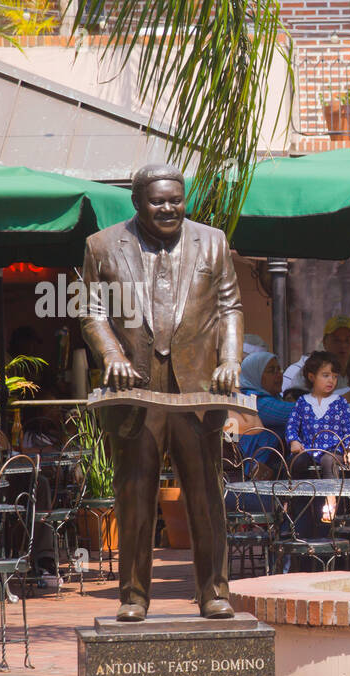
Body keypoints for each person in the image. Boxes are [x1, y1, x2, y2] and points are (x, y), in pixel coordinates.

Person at [80, 162, 242, 623]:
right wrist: (111, 354)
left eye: (176, 199)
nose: (169, 207)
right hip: (135, 393)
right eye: (158, 201)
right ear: (137, 203)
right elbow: (92, 311)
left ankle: (214, 592)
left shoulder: (212, 240)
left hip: (197, 392)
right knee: (134, 497)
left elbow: (230, 306)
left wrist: (229, 360)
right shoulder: (103, 246)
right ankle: (132, 596)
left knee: (206, 498)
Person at [285, 350, 350, 476]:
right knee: (296, 461)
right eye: (326, 375)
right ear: (312, 377)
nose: (331, 380)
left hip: (335, 450)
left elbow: (349, 430)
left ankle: (331, 495)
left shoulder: (340, 402)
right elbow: (292, 425)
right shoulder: (303, 401)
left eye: (335, 376)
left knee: (329, 460)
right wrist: (294, 441)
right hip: (308, 449)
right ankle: (298, 494)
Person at [236, 350, 293, 472]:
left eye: (279, 369)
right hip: (253, 477)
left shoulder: (274, 398)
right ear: (255, 374)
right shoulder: (254, 401)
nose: (278, 375)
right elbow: (295, 412)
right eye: (271, 371)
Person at [282, 315, 350, 395]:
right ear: (325, 342)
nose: (343, 345)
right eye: (336, 340)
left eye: (347, 340)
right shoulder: (311, 369)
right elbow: (296, 402)